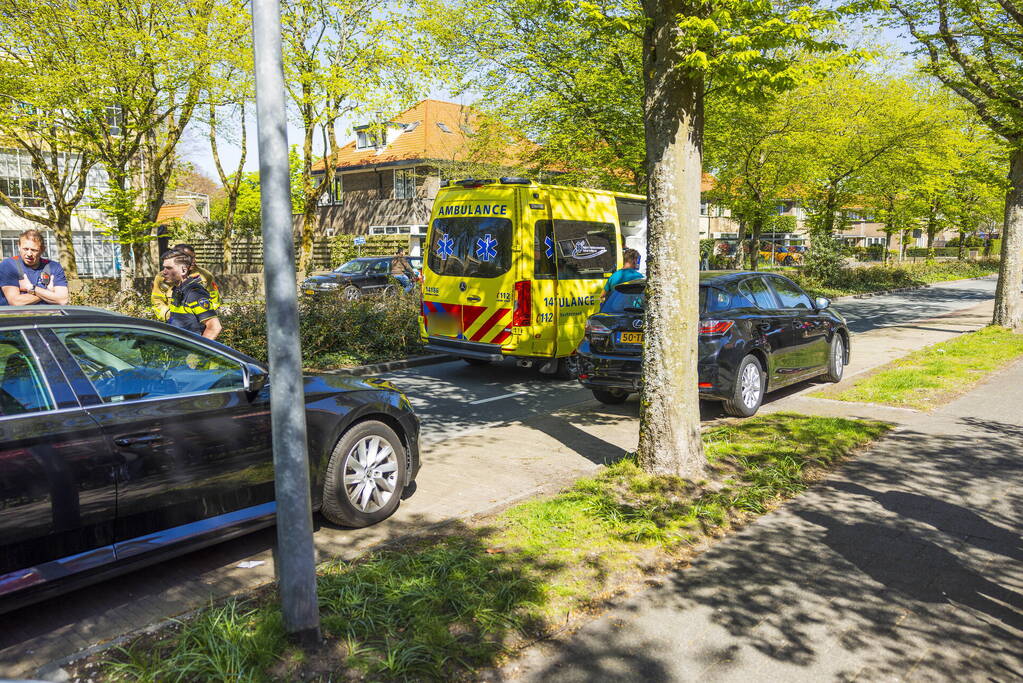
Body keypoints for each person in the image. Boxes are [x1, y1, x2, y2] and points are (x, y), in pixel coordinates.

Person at [160, 250, 222, 340]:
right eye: (164, 268)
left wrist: (196, 352)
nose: (164, 272)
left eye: (169, 268)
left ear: (184, 270)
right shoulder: (178, 289)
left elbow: (214, 327)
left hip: (189, 351)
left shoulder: (195, 293)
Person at [151, 243, 221, 322]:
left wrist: (205, 317)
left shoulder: (205, 275)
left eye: (194, 257)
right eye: (189, 257)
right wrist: (170, 317)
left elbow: (214, 299)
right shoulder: (162, 277)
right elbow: (157, 300)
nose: (194, 261)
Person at [0, 229, 69, 306]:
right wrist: (48, 291)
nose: (29, 254)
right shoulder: (8, 265)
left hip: (47, 316)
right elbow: (16, 302)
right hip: (17, 317)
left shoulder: (54, 267)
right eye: (25, 249)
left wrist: (31, 288)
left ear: (42, 250)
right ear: (19, 246)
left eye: (34, 250)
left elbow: (63, 300)